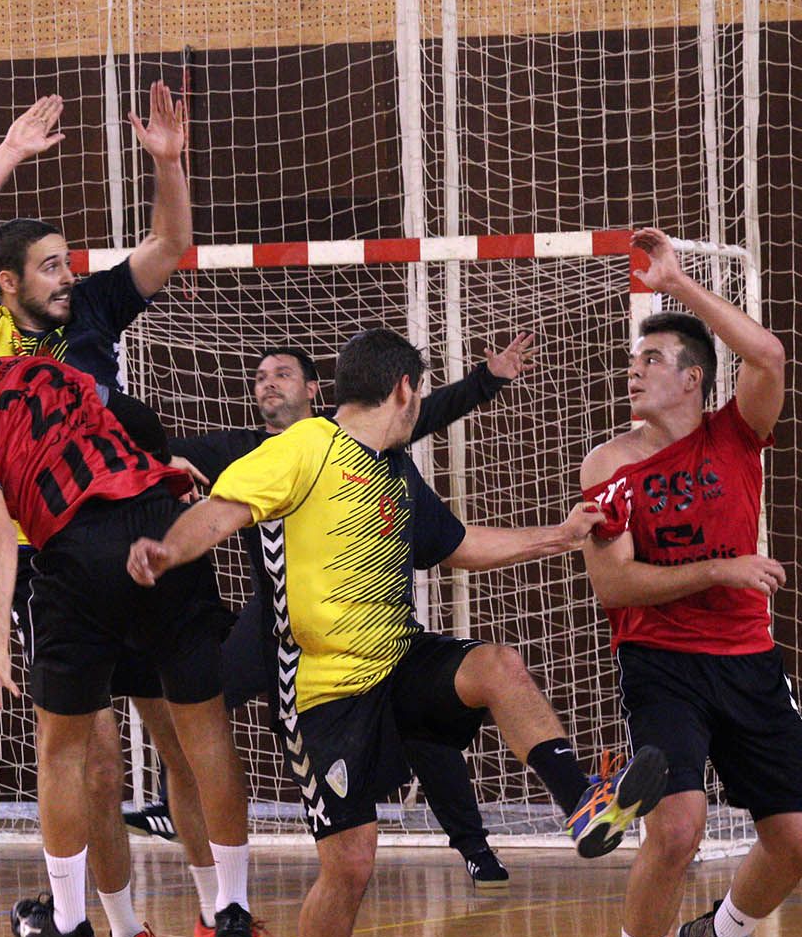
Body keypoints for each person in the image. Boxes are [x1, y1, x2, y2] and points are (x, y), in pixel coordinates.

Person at [128, 328, 669, 937]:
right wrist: (169, 549)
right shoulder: (303, 447)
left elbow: (459, 545)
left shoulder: (393, 468)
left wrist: (559, 535)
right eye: (422, 390)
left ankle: (583, 804)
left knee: (497, 666)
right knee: (349, 862)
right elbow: (223, 511)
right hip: (324, 691)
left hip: (398, 657)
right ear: (406, 389)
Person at [0, 86, 289, 937]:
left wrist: (167, 162)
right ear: (8, 283)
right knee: (87, 758)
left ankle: (220, 915)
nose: (67, 275)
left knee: (180, 733)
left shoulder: (91, 313)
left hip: (135, 535)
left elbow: (168, 247)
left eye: (67, 262)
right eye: (50, 265)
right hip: (57, 558)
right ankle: (125, 932)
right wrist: (8, 151)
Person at [0, 297, 260, 937]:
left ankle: (73, 920)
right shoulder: (43, 368)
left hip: (76, 554)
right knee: (184, 732)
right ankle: (191, 916)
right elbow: (120, 420)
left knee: (69, 750)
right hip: (162, 527)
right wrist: (164, 463)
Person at [126, 337, 542, 890]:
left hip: (360, 623)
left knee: (423, 729)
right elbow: (166, 460)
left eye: (282, 373)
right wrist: (157, 461)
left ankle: (473, 845)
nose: (269, 382)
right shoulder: (241, 448)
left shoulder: (350, 436)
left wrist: (486, 380)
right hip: (276, 620)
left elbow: (423, 410)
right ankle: (173, 802)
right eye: (260, 376)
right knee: (202, 695)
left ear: (316, 389)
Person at [580, 228, 802, 937]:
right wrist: (718, 568)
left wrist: (677, 284)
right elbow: (613, 585)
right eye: (633, 360)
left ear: (691, 377)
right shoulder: (607, 464)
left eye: (652, 361)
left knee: (797, 839)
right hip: (661, 662)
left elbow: (770, 352)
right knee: (677, 826)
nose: (634, 370)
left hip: (748, 659)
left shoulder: (735, 430)